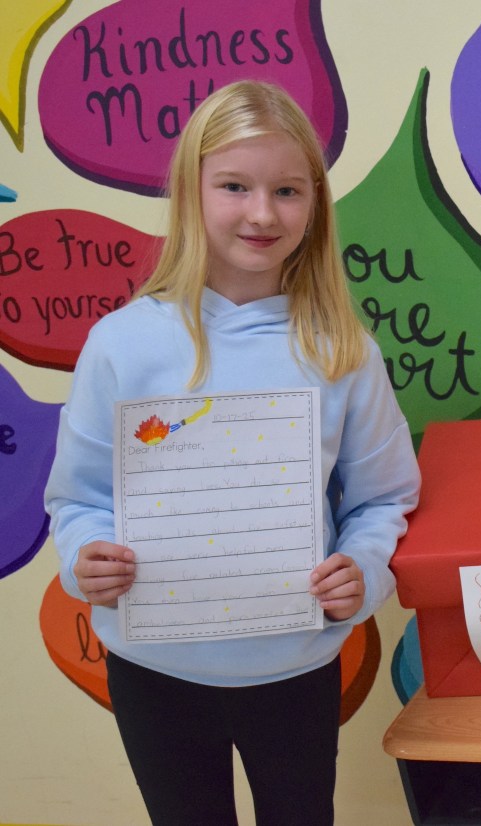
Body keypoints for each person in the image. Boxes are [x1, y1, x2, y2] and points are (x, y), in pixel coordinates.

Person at [44, 80, 420, 826]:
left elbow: (384, 498)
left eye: (287, 190)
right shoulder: (121, 346)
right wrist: (85, 557)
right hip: (154, 670)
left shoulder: (342, 351)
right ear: (192, 191)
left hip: (294, 666)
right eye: (235, 186)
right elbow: (79, 498)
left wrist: (364, 570)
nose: (262, 214)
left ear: (314, 203)